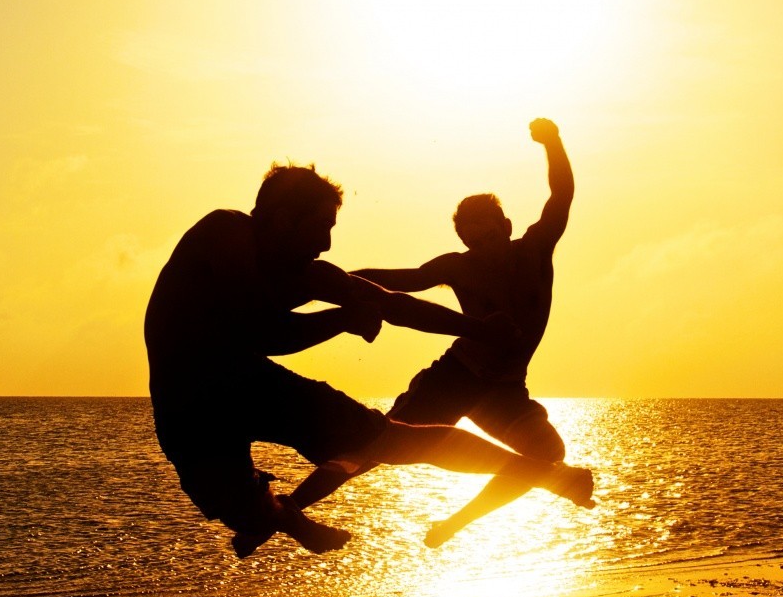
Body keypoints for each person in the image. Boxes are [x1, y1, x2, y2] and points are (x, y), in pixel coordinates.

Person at [144, 160, 596, 557]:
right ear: (283, 219)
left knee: (392, 440)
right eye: (320, 228)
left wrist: (479, 327)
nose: (324, 244)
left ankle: (546, 474)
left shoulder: (305, 272)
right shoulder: (226, 233)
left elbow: (394, 304)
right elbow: (264, 330)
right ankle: (291, 519)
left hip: (252, 384)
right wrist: (342, 318)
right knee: (253, 518)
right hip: (189, 403)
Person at [284, 118, 576, 547]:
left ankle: (456, 523)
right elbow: (397, 281)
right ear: (463, 241)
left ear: (507, 227)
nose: (484, 251)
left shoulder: (535, 249)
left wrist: (553, 142)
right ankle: (288, 508)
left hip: (507, 390)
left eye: (490, 235)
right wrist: (325, 282)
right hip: (455, 378)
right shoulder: (458, 266)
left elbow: (562, 195)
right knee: (374, 446)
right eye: (473, 241)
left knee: (547, 455)